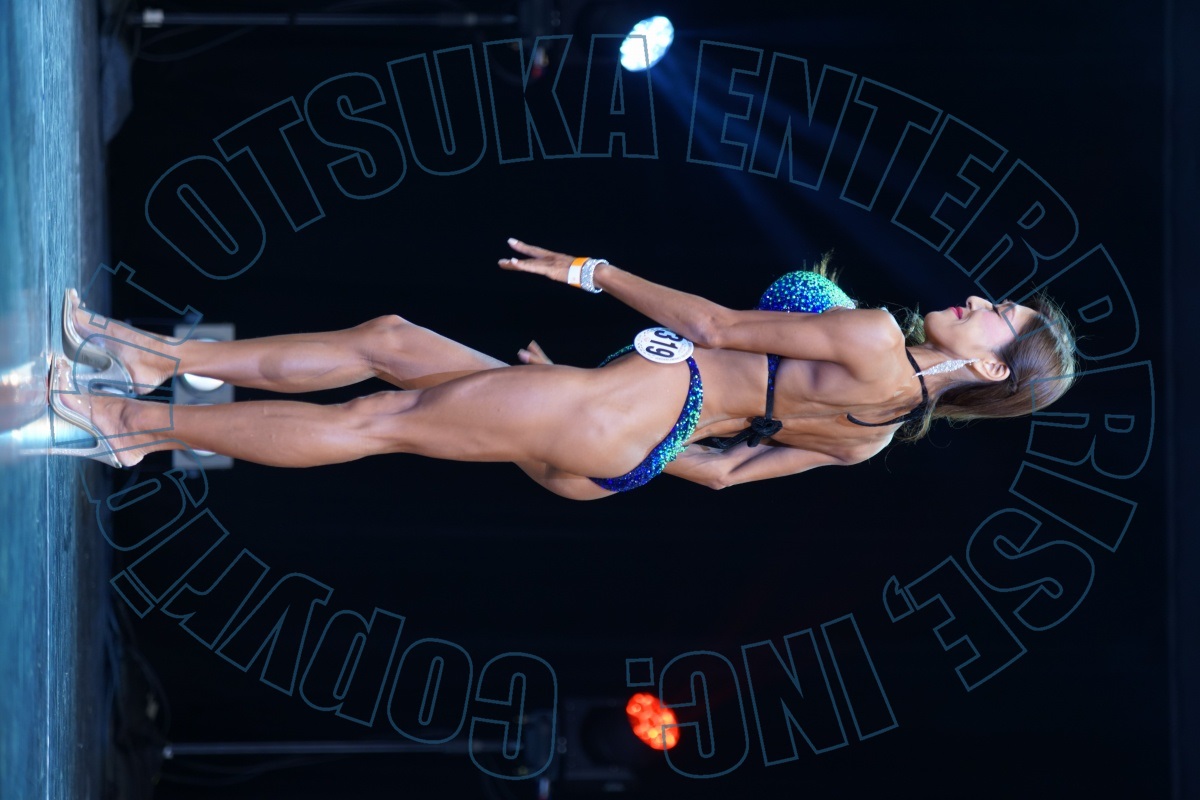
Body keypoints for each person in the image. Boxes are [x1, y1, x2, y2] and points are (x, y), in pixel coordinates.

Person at [48, 239, 1076, 500]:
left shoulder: (877, 340)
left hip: (621, 412)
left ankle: (134, 426)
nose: (975, 300)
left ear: (990, 369)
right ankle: (150, 357)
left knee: (378, 419)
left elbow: (714, 324)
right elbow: (721, 472)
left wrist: (595, 272)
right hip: (616, 447)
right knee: (390, 339)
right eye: (993, 296)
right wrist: (587, 415)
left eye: (995, 315)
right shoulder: (876, 437)